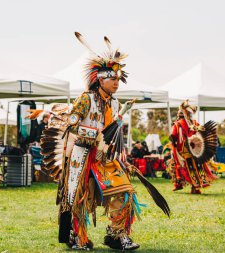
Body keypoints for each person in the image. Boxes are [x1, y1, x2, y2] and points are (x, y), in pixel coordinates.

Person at [40, 33, 169, 251]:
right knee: (81, 198)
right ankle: (77, 236)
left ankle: (117, 235)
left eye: (119, 79)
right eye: (113, 78)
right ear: (100, 79)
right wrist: (96, 137)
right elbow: (72, 124)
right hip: (82, 156)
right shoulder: (86, 99)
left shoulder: (116, 104)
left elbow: (114, 135)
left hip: (106, 157)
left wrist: (117, 152)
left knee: (125, 191)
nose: (117, 83)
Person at [169, 100, 218, 194]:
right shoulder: (195, 123)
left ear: (180, 115)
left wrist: (174, 144)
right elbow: (202, 132)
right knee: (196, 167)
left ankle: (193, 186)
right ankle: (190, 185)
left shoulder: (177, 124)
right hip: (196, 150)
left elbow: (173, 136)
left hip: (184, 150)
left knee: (186, 167)